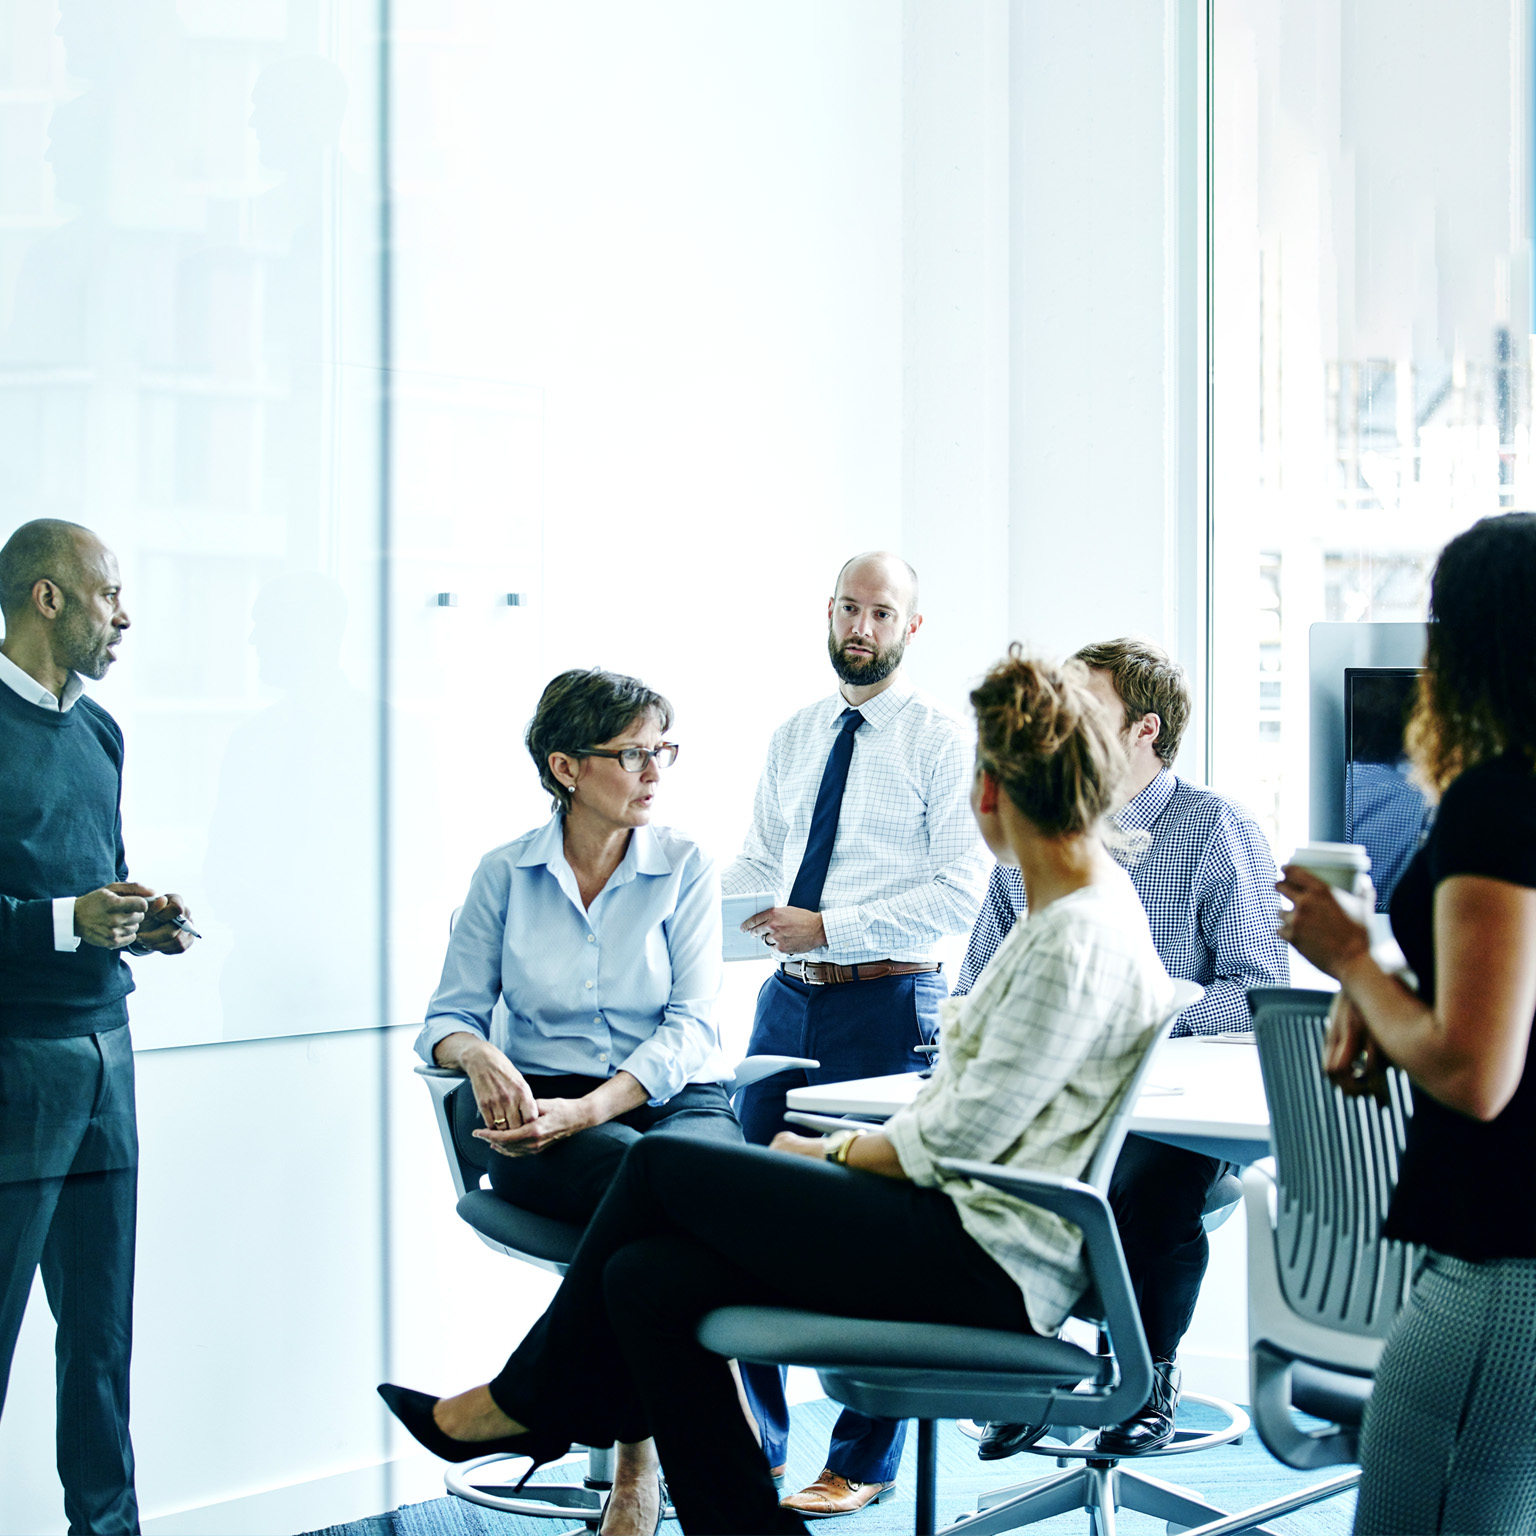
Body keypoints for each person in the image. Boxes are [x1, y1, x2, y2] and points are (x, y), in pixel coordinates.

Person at [379, 647, 1175, 1536]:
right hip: (967, 1227)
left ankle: (519, 1400)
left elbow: (938, 1147)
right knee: (647, 1278)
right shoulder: (1085, 911)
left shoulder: (1070, 937)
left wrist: (821, 1149)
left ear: (989, 794)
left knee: (663, 1169)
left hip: (979, 1254)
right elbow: (965, 1128)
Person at [416, 666, 742, 1536]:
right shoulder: (504, 875)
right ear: (566, 768)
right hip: (538, 1107)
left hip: (668, 1093)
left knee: (668, 1177)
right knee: (655, 1198)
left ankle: (539, 1404)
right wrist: (477, 1049)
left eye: (662, 750)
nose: (655, 770)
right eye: (634, 752)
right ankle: (649, 1457)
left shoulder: (684, 866)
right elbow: (445, 1017)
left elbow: (693, 1026)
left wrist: (596, 1106)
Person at [960, 638, 1287, 1459]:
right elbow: (978, 976)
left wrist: (1131, 1019)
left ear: (1143, 729)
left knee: (1153, 1179)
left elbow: (1259, 985)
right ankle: (1023, 1368)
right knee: (985, 1165)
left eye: (1083, 705)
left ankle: (1144, 1379)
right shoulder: (1038, 820)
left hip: (1182, 1108)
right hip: (1058, 1091)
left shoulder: (1216, 827)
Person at [1280, 513, 1536, 1536]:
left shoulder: (1498, 804)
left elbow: (1478, 1070)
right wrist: (1378, 986)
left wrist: (1346, 954)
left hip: (1498, 1261)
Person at [721, 551, 989, 1514]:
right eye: (848, 608)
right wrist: (701, 914)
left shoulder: (939, 741)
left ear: (912, 628)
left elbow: (961, 890)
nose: (860, 628)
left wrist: (830, 926)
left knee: (878, 1233)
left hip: (889, 1001)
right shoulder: (796, 734)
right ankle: (747, 1446)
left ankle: (862, 1464)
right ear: (827, 613)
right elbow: (761, 855)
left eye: (881, 613)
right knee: (747, 1220)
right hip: (786, 1000)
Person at [0, 518, 197, 1536]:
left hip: (104, 1055)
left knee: (101, 1339)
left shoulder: (102, 730)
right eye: (108, 593)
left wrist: (140, 924)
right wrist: (62, 923)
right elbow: (50, 913)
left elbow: (91, 886)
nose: (124, 615)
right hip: (12, 1067)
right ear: (47, 598)